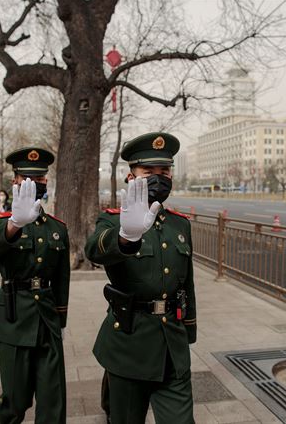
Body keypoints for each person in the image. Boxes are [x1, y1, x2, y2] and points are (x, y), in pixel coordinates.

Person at [85, 132, 197, 424]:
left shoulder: (179, 224)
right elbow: (93, 251)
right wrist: (125, 236)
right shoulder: (112, 219)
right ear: (130, 175)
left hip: (172, 345)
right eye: (149, 172)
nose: (159, 178)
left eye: (165, 171)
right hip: (129, 344)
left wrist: (189, 330)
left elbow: (187, 284)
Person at [0, 147, 70, 424]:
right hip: (12, 318)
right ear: (14, 182)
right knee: (15, 402)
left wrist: (61, 319)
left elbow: (61, 278)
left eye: (40, 178)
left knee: (53, 401)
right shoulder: (2, 222)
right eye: (27, 177)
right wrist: (14, 225)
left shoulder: (57, 227)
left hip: (46, 319)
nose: (35, 183)